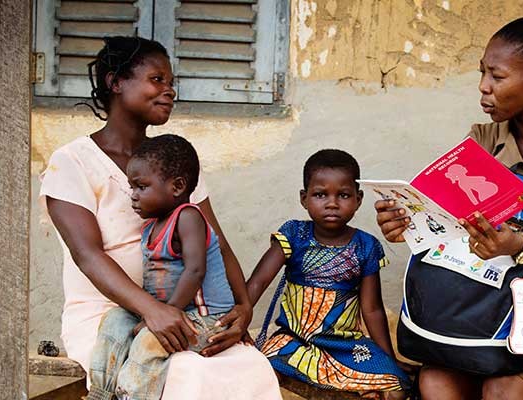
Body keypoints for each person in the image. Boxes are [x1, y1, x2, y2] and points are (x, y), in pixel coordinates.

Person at [374, 8, 523, 400]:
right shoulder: (483, 139)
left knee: (502, 389)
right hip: (485, 313)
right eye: (483, 73)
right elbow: (452, 225)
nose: (483, 87)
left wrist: (516, 243)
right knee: (435, 382)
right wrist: (409, 222)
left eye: (498, 76)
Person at [39, 36, 281, 399]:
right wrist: (153, 310)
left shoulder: (172, 164)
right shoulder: (71, 162)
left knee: (249, 367)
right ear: (116, 83)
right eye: (157, 80)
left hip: (185, 312)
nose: (169, 91)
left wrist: (243, 308)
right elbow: (88, 255)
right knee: (186, 373)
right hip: (110, 318)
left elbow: (217, 242)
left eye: (171, 83)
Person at [246, 149, 411, 400]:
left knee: (395, 389)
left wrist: (388, 359)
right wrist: (238, 324)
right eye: (320, 194)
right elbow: (257, 282)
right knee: (260, 371)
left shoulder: (366, 246)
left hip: (345, 346)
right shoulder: (294, 235)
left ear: (358, 198)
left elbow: (372, 309)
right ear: (304, 198)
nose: (332, 203)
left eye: (343, 195)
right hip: (293, 341)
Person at [86, 134, 238, 399]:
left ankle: (133, 396)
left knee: (149, 340)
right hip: (169, 311)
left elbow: (195, 271)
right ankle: (100, 392)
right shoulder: (151, 226)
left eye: (141, 187)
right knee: (114, 320)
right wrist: (152, 314)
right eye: (132, 188)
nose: (133, 196)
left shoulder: (189, 217)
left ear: (177, 186)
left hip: (206, 317)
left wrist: (164, 315)